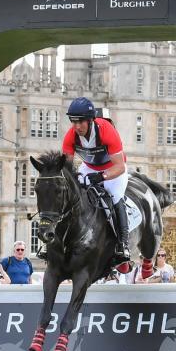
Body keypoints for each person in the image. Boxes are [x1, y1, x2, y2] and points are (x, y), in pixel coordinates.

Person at [60, 97, 131, 267]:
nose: (77, 127)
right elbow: (66, 167)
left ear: (90, 120)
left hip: (113, 168)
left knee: (115, 196)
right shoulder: (71, 136)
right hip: (89, 167)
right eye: (73, 122)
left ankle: (123, 244)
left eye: (81, 122)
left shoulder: (106, 131)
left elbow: (120, 166)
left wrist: (102, 177)